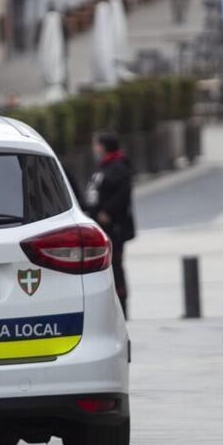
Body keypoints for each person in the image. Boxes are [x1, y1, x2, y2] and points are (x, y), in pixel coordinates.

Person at [83, 133, 135, 318]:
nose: (94, 149)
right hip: (100, 226)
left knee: (115, 267)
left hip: (114, 228)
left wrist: (107, 212)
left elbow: (123, 194)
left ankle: (122, 308)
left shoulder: (119, 167)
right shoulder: (104, 167)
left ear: (104, 146)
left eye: (96, 145)